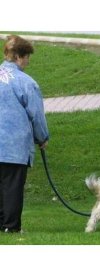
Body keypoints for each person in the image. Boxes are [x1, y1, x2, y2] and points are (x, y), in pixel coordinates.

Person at [0, 35, 49, 233]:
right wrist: (42, 137)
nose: (28, 61)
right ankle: (11, 228)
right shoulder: (26, 82)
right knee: (12, 187)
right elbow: (36, 115)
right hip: (13, 145)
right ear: (19, 56)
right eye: (27, 56)